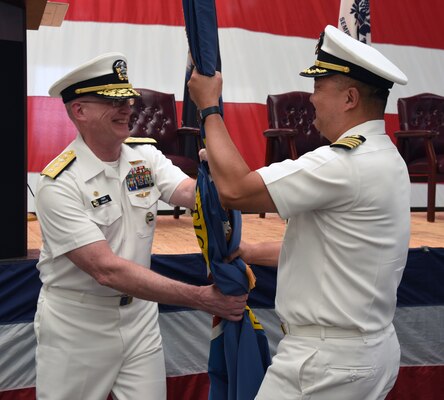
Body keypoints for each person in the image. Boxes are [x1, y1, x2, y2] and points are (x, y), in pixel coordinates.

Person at [188, 25, 411, 400]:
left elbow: (236, 191)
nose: (312, 99)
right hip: (368, 350)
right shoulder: (384, 155)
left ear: (350, 98)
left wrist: (209, 107)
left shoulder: (344, 162)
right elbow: (335, 253)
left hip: (326, 364)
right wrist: (250, 253)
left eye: (319, 87)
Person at [33, 52, 247, 400]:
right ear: (79, 111)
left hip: (140, 318)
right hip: (78, 324)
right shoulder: (58, 183)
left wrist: (216, 170)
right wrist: (200, 298)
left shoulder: (144, 157)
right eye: (111, 101)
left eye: (127, 99)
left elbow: (189, 194)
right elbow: (106, 270)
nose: (127, 108)